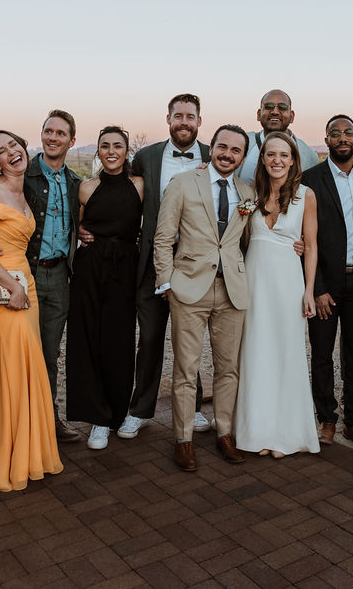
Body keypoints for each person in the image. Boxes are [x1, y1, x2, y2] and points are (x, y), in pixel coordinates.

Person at [0, 130, 63, 491]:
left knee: (28, 365)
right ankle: (3, 461)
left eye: (14, 146)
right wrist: (13, 286)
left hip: (24, 283)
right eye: (1, 151)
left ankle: (30, 453)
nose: (11, 153)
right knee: (10, 365)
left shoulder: (25, 192)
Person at [153, 125, 253, 472]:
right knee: (186, 368)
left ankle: (224, 433)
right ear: (213, 148)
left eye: (235, 150)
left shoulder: (246, 192)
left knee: (229, 369)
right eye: (222, 146)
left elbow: (249, 241)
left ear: (242, 157)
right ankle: (183, 440)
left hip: (232, 292)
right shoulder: (183, 183)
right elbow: (163, 237)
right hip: (189, 290)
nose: (227, 154)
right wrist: (166, 283)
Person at [113, 94, 212, 440]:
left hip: (196, 265)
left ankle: (195, 407)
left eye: (190, 116)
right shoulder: (146, 157)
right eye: (178, 115)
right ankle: (140, 410)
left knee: (190, 341)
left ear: (200, 121)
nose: (184, 121)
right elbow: (125, 200)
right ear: (168, 119)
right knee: (151, 339)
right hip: (152, 264)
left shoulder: (213, 156)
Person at [234, 133, 320, 458]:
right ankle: (256, 432)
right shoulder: (249, 195)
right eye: (271, 154)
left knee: (287, 354)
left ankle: (285, 434)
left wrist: (309, 291)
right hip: (254, 282)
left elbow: (310, 247)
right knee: (255, 353)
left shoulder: (305, 196)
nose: (277, 160)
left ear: (293, 160)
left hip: (288, 283)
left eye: (284, 155)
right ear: (263, 159)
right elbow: (234, 237)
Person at [302, 114, 353, 451]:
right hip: (326, 285)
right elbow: (304, 237)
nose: (343, 138)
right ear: (327, 138)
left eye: (348, 132)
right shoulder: (310, 179)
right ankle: (327, 418)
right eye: (335, 133)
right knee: (321, 353)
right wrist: (317, 286)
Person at [65, 126, 143, 450]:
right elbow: (75, 226)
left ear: (127, 151)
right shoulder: (85, 188)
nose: (112, 151)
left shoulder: (139, 186)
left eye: (118, 146)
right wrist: (82, 233)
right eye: (105, 146)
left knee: (120, 341)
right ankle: (97, 419)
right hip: (90, 269)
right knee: (89, 340)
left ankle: (117, 413)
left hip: (125, 268)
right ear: (97, 152)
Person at [23, 110, 82, 443]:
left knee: (49, 352)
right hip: (27, 273)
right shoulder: (24, 175)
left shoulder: (75, 182)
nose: (53, 137)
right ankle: (21, 421)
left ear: (71, 141)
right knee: (20, 349)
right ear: (42, 134)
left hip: (59, 276)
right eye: (49, 131)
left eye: (61, 133)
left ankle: (50, 418)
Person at [238, 89, 320, 185]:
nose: (275, 112)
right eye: (268, 106)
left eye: (282, 107)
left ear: (292, 116)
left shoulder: (309, 155)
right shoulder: (241, 142)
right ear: (259, 114)